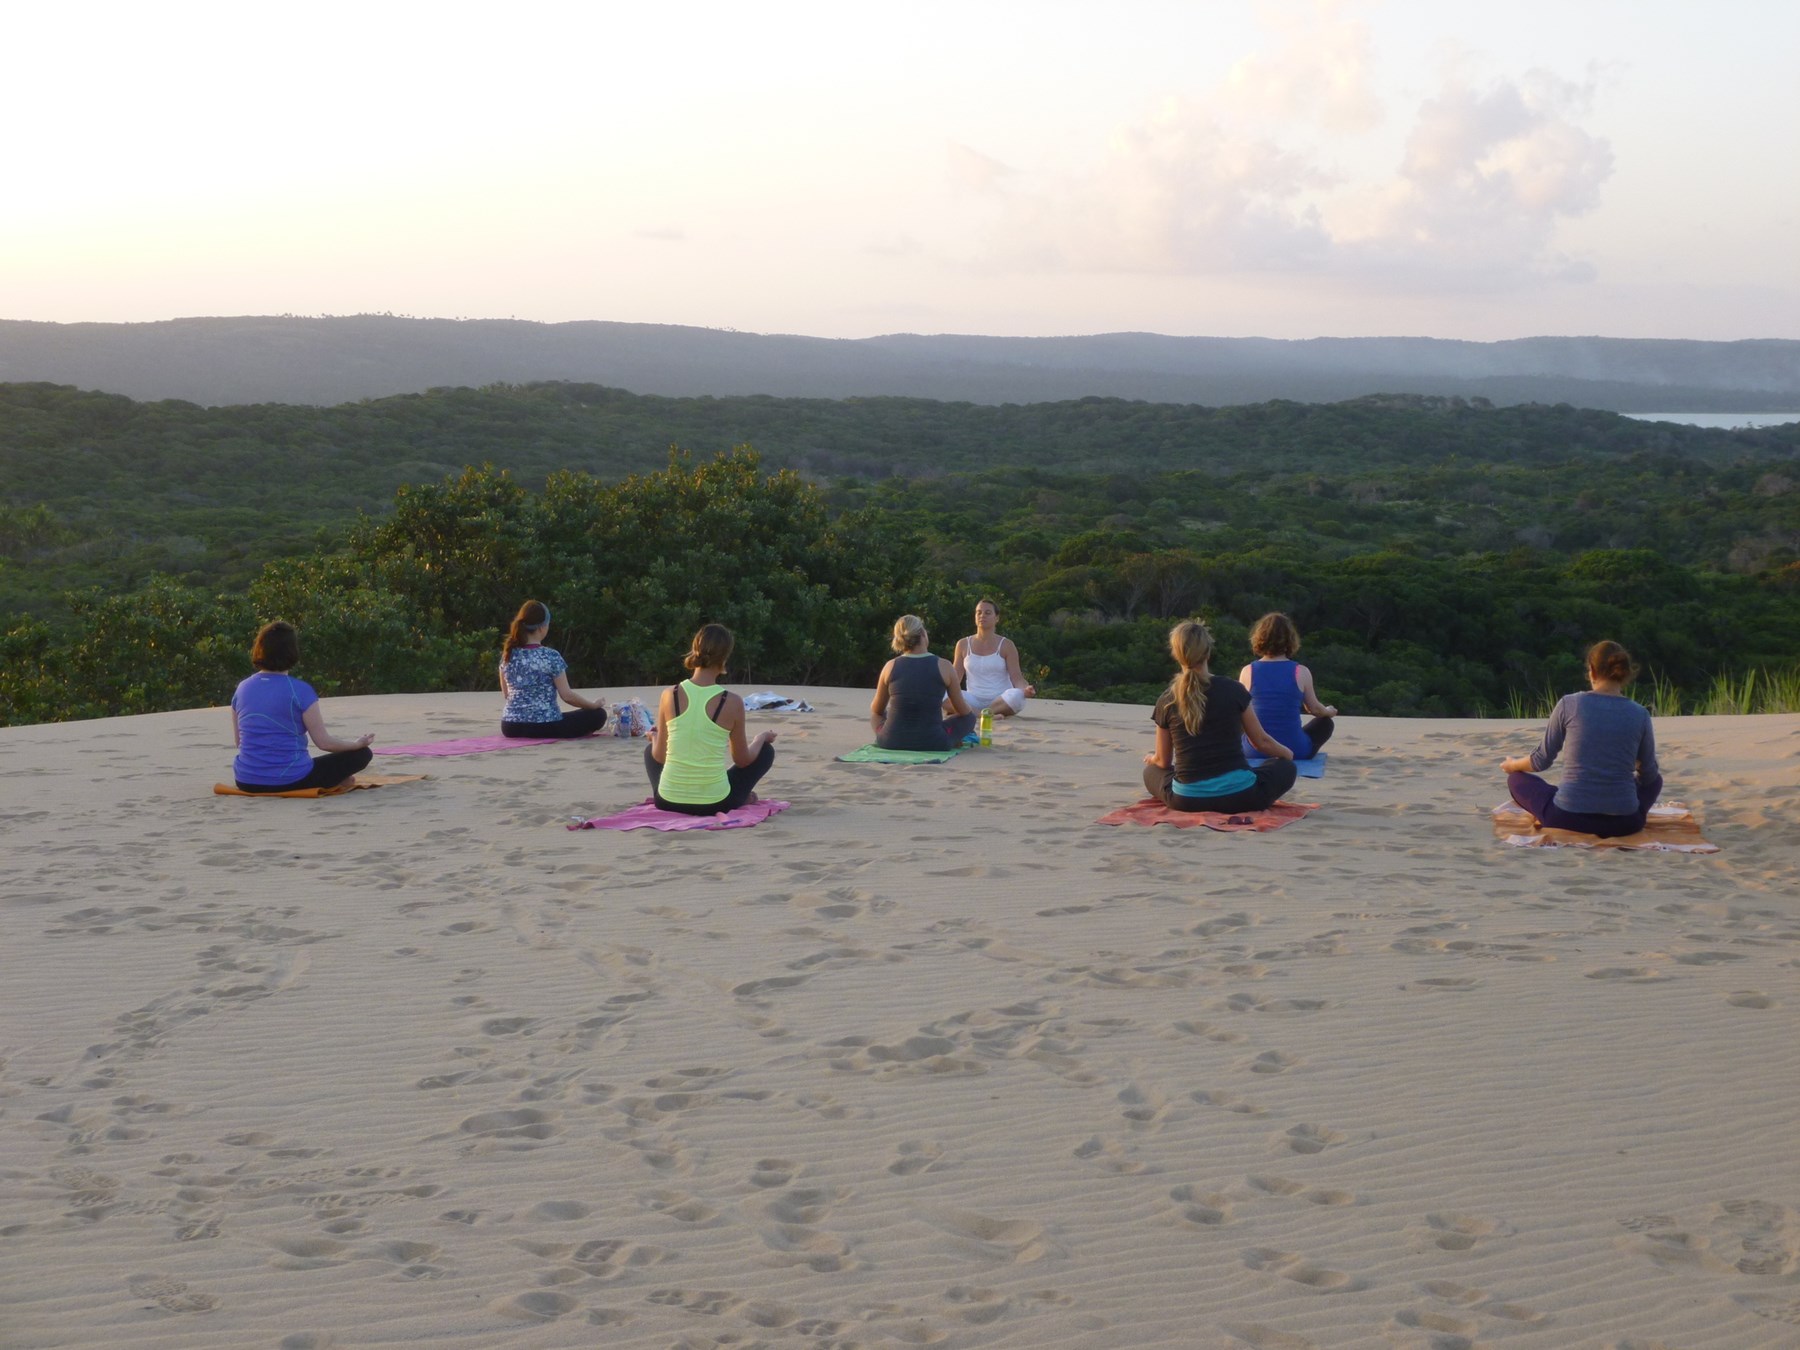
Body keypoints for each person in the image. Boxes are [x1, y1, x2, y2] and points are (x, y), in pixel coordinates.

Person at [1502, 640, 1662, 837]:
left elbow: (1540, 760)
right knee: (1656, 781)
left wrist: (1512, 765)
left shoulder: (1569, 704)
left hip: (1566, 819)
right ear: (1624, 673)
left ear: (1592, 671)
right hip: (1624, 824)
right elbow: (1649, 775)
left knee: (1516, 779)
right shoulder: (1640, 714)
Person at [1143, 619, 1297, 813]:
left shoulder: (1167, 700)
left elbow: (1163, 761)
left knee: (1151, 771)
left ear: (1176, 655)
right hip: (1241, 797)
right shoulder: (1234, 690)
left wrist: (1152, 759)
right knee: (1286, 767)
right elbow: (1261, 742)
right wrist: (1287, 755)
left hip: (1188, 801)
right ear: (1208, 652)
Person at [645, 624, 777, 814]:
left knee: (650, 750)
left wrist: (654, 737)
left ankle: (688, 791)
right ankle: (740, 797)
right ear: (725, 656)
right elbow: (742, 760)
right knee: (765, 752)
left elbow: (659, 756)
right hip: (714, 804)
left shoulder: (669, 694)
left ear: (695, 648)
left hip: (667, 801)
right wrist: (760, 738)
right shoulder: (732, 701)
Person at [230, 620, 374, 793]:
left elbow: (239, 742)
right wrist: (357, 744)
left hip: (245, 780)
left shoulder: (242, 688)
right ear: (292, 651)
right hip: (290, 780)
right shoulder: (300, 690)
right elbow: (324, 743)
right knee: (363, 754)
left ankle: (338, 778)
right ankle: (338, 778)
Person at [499, 600, 607, 738]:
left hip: (510, 726)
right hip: (544, 726)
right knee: (598, 714)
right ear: (542, 627)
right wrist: (593, 705)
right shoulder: (551, 656)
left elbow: (507, 694)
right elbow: (567, 696)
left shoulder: (508, 654)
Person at [1237, 612, 1336, 761]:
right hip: (1295, 750)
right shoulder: (1301, 671)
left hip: (1255, 750)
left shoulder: (1247, 671)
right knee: (1325, 723)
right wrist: (1329, 711)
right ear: (1290, 639)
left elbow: (1241, 713)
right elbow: (1315, 709)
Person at [872, 615, 976, 750]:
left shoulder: (890, 666)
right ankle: (952, 738)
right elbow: (962, 710)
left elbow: (877, 709)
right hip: (934, 742)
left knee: (876, 715)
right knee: (969, 718)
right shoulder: (944, 666)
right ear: (922, 633)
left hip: (891, 741)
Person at [953, 597, 1035, 719]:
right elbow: (954, 678)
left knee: (1017, 695)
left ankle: (981, 713)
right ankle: (982, 715)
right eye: (979, 612)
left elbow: (1017, 677)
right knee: (944, 695)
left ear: (996, 618)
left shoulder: (1007, 645)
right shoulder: (963, 644)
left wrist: (1025, 689)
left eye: (987, 613)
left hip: (1001, 700)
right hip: (973, 700)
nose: (982, 616)